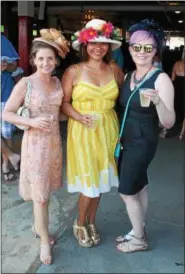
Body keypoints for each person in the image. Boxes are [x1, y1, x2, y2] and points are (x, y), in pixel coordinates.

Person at [2, 28, 69, 265]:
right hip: (35, 145)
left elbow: (60, 114)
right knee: (40, 196)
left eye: (50, 58)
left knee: (46, 191)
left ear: (56, 60)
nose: (45, 62)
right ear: (33, 60)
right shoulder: (26, 84)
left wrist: (81, 116)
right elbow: (7, 113)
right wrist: (30, 121)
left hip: (53, 144)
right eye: (40, 58)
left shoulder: (58, 82)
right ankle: (43, 240)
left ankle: (38, 226)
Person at [61, 19, 124, 248]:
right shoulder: (73, 71)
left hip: (108, 129)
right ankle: (79, 223)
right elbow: (64, 103)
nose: (98, 48)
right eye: (93, 43)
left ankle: (92, 221)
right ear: (84, 45)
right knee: (89, 183)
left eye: (104, 43)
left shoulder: (116, 70)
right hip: (83, 130)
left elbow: (122, 101)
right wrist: (78, 116)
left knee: (101, 181)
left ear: (109, 47)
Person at [116, 19, 175, 253]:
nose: (142, 52)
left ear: (155, 50)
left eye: (148, 48)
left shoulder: (161, 78)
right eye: (137, 47)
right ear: (129, 49)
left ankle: (139, 239)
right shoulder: (128, 75)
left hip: (143, 140)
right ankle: (137, 228)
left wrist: (158, 101)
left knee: (126, 190)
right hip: (126, 139)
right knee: (140, 187)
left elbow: (168, 121)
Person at [1, 34, 21, 182]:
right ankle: (12, 155)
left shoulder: (3, 41)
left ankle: (6, 165)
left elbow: (15, 66)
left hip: (5, 95)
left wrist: (6, 66)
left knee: (7, 133)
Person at [171, 51, 185, 140]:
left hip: (177, 89)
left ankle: (165, 131)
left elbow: (173, 78)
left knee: (174, 108)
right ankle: (181, 134)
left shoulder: (176, 63)